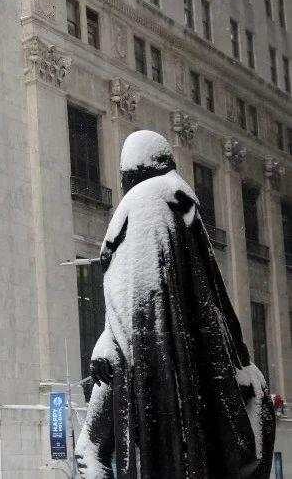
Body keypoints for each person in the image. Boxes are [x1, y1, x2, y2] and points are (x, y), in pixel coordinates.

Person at [76, 130, 274, 478]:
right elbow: (213, 292)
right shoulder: (180, 204)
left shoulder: (144, 207)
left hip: (141, 367)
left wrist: (111, 349)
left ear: (132, 171)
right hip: (185, 367)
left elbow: (137, 300)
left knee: (89, 450)